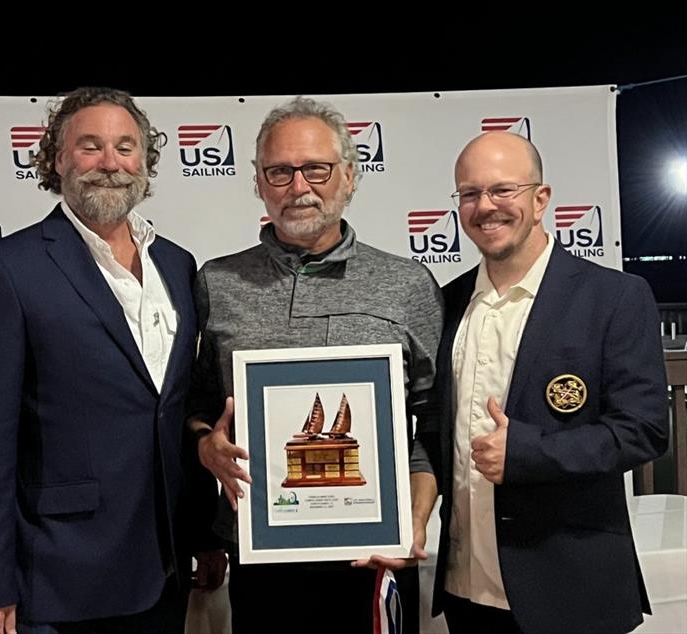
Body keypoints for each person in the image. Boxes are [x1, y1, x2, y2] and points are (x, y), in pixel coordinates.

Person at [0, 86, 225, 634]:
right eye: (89, 146)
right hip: (57, 578)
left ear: (145, 161)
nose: (110, 163)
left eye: (126, 147)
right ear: (56, 158)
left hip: (165, 570)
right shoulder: (6, 270)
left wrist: (203, 535)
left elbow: (171, 412)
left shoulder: (177, 263)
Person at [187, 96, 443, 633]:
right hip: (262, 553)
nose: (298, 187)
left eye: (316, 169)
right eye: (279, 171)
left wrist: (412, 520)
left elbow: (434, 424)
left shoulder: (407, 284)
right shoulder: (217, 282)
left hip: (376, 553)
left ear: (349, 177)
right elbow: (198, 404)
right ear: (258, 182)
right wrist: (206, 443)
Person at [426, 130, 669, 634]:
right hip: (466, 590)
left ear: (540, 199)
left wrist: (527, 451)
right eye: (469, 194)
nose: (485, 206)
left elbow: (644, 430)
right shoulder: (445, 305)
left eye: (502, 190)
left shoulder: (614, 297)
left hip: (572, 591)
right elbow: (430, 434)